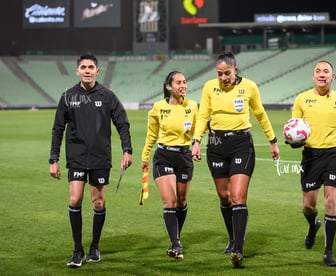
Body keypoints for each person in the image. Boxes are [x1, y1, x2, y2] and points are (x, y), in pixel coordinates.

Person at [191, 52, 280, 268]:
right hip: (216, 146)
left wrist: (272, 140)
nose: (223, 78)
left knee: (238, 196)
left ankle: (238, 250)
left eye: (227, 73)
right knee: (225, 196)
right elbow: (203, 115)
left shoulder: (249, 87)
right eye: (220, 74)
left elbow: (260, 113)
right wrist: (196, 140)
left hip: (242, 145)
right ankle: (232, 238)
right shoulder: (209, 87)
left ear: (235, 69)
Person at [49, 54, 133, 268]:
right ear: (77, 71)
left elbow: (122, 122)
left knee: (98, 202)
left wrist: (127, 150)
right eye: (83, 67)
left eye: (91, 67)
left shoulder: (107, 96)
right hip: (76, 157)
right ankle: (77, 250)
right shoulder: (68, 96)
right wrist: (53, 159)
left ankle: (94, 246)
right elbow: (58, 129)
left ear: (98, 71)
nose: (87, 70)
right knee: (75, 199)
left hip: (100, 157)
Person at [289, 60, 336, 266]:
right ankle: (313, 226)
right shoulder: (302, 99)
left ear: (332, 76)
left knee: (330, 201)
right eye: (318, 71)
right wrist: (294, 142)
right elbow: (295, 126)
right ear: (313, 77)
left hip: (333, 155)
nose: (321, 74)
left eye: (326, 71)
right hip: (311, 156)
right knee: (308, 206)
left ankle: (328, 252)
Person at [141, 71, 198, 261]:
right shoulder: (158, 108)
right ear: (169, 86)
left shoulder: (192, 106)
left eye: (185, 82)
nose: (183, 85)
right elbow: (151, 134)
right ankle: (176, 245)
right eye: (179, 82)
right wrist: (145, 155)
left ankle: (176, 238)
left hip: (184, 157)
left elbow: (199, 130)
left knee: (181, 202)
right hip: (164, 156)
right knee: (170, 201)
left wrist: (197, 142)